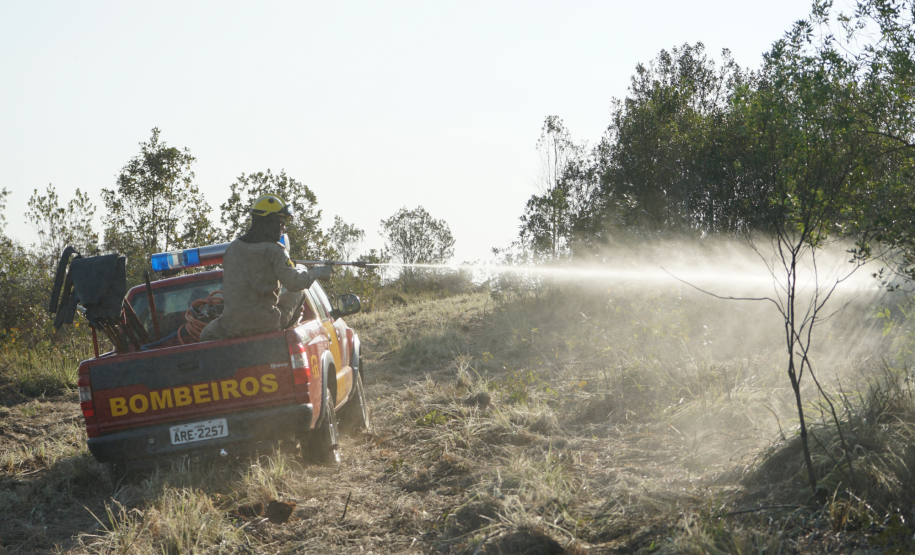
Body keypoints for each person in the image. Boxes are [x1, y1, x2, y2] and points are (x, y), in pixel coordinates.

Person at [200, 194, 332, 341]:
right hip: (266, 324)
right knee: (300, 291)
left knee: (205, 335)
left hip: (231, 326)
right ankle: (288, 336)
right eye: (281, 223)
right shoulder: (275, 251)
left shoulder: (233, 248)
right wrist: (316, 272)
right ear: (269, 221)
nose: (283, 228)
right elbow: (295, 283)